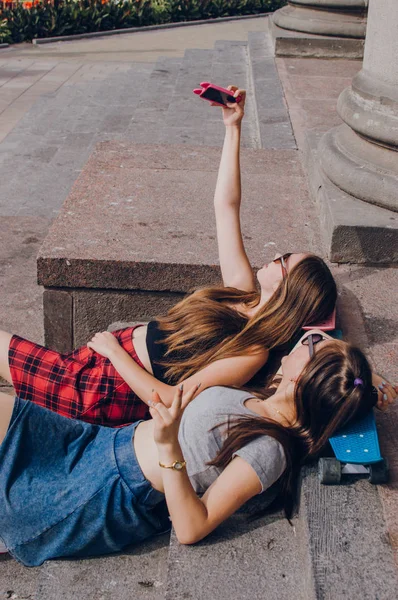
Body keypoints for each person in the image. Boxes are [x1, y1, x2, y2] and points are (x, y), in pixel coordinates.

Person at [0, 87, 337, 427]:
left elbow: (172, 400)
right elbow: (226, 208)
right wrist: (233, 127)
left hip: (105, 391)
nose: (276, 255)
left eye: (284, 262)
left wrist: (116, 353)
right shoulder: (241, 290)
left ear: (288, 292)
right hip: (98, 366)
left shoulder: (251, 352)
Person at [1, 331, 396, 567]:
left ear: (301, 380)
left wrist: (169, 444)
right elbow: (324, 341)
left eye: (308, 346)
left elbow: (193, 527)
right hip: (96, 442)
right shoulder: (271, 400)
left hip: (105, 489)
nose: (304, 340)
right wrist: (365, 378)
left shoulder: (268, 450)